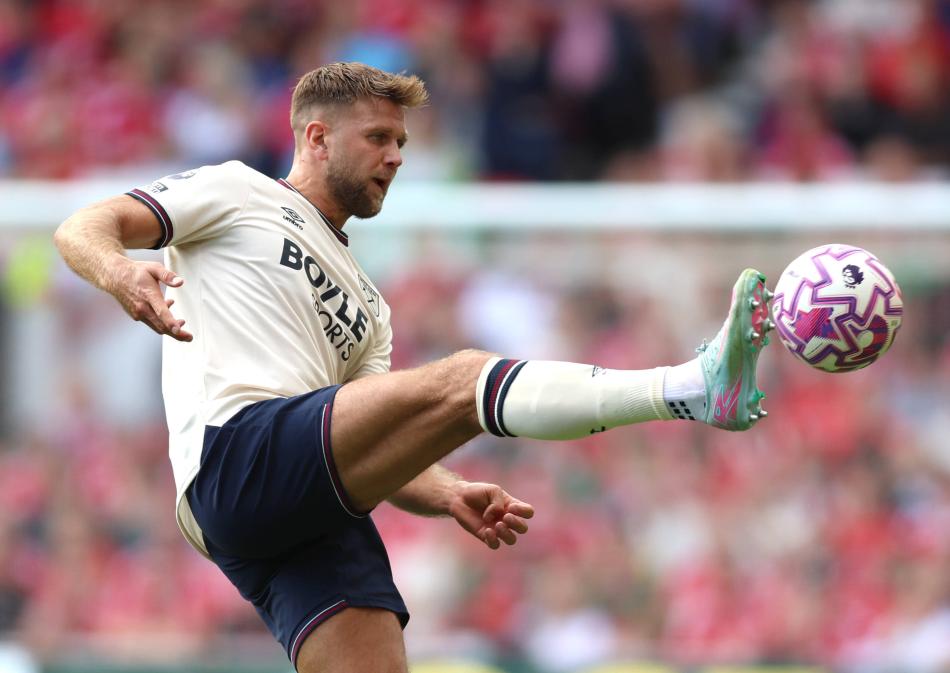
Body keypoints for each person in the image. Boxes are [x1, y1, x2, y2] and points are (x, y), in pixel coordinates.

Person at [53, 62, 774, 673]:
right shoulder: (237, 191)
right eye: (378, 138)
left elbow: (373, 438)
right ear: (316, 136)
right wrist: (120, 272)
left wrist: (447, 490)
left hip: (300, 499)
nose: (396, 155)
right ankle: (689, 387)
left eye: (400, 140)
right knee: (464, 380)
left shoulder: (369, 305)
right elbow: (81, 226)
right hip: (238, 453)